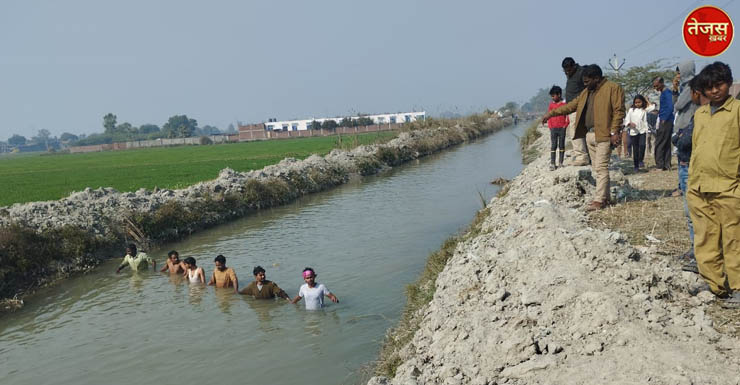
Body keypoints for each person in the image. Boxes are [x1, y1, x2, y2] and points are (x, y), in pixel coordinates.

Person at [686, 62, 740, 307]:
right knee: (705, 237)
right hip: (699, 187)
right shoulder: (700, 114)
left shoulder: (737, 110)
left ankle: (738, 287)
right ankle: (715, 284)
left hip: (729, 187)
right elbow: (696, 148)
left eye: (719, 85)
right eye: (709, 87)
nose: (715, 90)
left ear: (728, 83)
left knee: (733, 239)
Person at [543, 64, 625, 211]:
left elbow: (619, 111)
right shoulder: (586, 92)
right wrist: (551, 114)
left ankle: (599, 201)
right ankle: (605, 198)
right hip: (590, 135)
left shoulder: (613, 88)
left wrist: (615, 132)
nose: (585, 84)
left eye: (587, 81)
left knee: (601, 168)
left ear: (597, 78)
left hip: (604, 135)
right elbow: (571, 106)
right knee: (596, 168)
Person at [672, 74, 705, 273]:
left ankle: (699, 254)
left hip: (691, 163)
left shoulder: (703, 113)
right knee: (690, 212)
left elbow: (686, 139)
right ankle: (696, 251)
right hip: (686, 162)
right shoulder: (699, 114)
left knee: (694, 212)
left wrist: (679, 138)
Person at [561, 57, 590, 166]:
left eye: (568, 70)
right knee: (580, 132)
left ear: (573, 66)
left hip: (579, 108)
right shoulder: (571, 75)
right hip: (573, 108)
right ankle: (586, 155)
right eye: (565, 71)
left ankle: (582, 157)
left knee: (575, 131)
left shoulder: (581, 72)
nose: (566, 72)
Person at [623, 94, 654, 172]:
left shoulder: (644, 109)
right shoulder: (631, 110)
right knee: (635, 149)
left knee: (642, 145)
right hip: (634, 132)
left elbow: (652, 107)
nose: (638, 104)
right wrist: (630, 124)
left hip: (642, 131)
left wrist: (646, 100)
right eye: (636, 102)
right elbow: (626, 120)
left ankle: (641, 160)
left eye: (639, 102)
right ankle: (636, 165)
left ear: (642, 102)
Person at [652, 76, 675, 171]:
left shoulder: (667, 93)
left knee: (660, 143)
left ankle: (660, 165)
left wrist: (664, 118)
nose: (656, 88)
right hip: (664, 119)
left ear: (661, 83)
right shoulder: (663, 93)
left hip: (665, 120)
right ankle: (666, 164)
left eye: (656, 86)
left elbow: (670, 106)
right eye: (654, 86)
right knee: (665, 142)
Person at [547, 85, 569, 170]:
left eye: (553, 96)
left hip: (562, 128)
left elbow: (567, 116)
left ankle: (561, 163)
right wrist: (550, 126)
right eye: (551, 96)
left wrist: (565, 126)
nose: (552, 98)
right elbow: (549, 116)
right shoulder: (551, 105)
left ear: (559, 95)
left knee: (561, 145)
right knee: (553, 145)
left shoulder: (565, 104)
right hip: (553, 129)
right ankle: (552, 163)